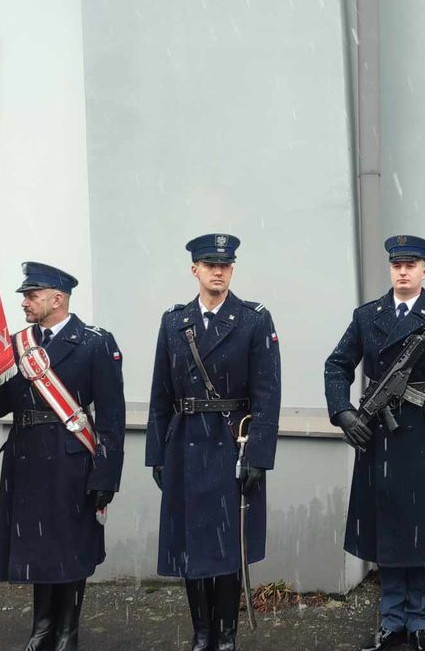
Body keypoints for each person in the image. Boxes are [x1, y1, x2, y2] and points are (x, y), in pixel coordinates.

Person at [324, 235, 425, 651]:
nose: (403, 272)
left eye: (411, 264)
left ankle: (420, 621)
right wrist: (344, 413)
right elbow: (336, 365)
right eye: (397, 265)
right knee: (388, 531)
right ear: (390, 269)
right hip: (380, 437)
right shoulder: (368, 317)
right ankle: (391, 620)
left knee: (423, 532)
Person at [146, 233, 281, 651]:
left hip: (231, 443)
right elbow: (160, 394)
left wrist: (258, 454)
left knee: (227, 545)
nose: (217, 271)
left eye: (224, 265)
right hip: (185, 443)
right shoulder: (174, 321)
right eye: (209, 265)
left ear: (232, 270)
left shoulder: (254, 319)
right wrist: (157, 455)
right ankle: (200, 632)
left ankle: (226, 634)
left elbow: (267, 393)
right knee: (190, 546)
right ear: (195, 270)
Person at [0, 262, 125, 651]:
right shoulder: (17, 345)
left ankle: (68, 631)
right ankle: (42, 627)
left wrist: (105, 476)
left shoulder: (96, 342)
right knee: (36, 549)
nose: (25, 303)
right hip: (26, 459)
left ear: (57, 299)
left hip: (71, 459)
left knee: (70, 550)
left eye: (31, 296)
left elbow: (112, 417)